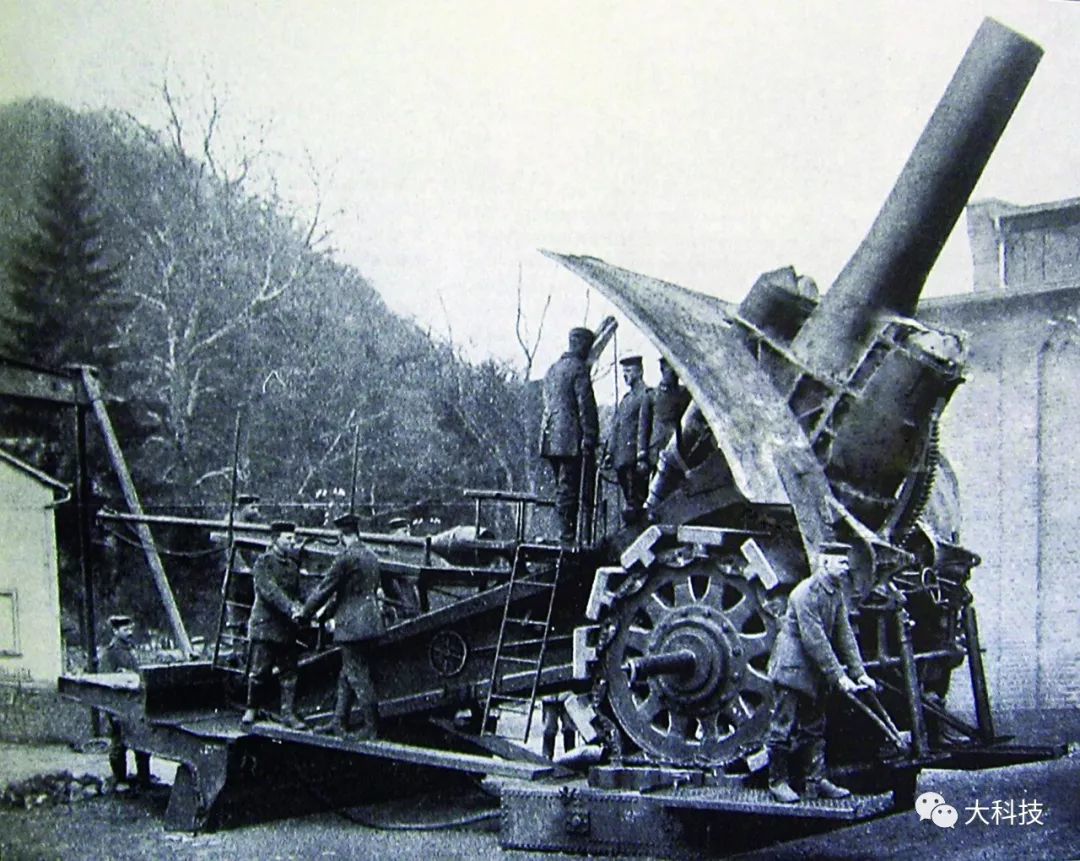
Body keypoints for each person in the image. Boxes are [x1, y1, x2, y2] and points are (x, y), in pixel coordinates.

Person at [765, 542, 877, 803]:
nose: (846, 567)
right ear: (825, 563)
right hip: (792, 668)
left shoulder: (835, 592)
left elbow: (844, 633)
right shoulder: (805, 593)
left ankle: (815, 781)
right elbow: (815, 640)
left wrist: (859, 672)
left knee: (814, 726)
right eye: (841, 562)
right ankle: (778, 782)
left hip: (813, 670)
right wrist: (839, 677)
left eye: (846, 562)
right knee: (783, 726)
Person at [298, 512, 385, 738]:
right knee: (346, 674)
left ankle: (371, 727)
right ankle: (338, 722)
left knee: (357, 674)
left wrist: (305, 613)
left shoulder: (345, 558)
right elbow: (347, 594)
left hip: (352, 626)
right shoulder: (371, 556)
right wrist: (325, 614)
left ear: (340, 535)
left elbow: (325, 589)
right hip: (371, 622)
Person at [242, 521, 306, 729]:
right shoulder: (263, 563)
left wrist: (306, 609)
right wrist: (291, 608)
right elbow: (270, 591)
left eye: (293, 538)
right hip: (266, 626)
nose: (292, 542)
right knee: (260, 671)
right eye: (288, 538)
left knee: (289, 673)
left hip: (286, 629)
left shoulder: (293, 567)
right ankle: (251, 710)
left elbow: (299, 594)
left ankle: (287, 714)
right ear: (275, 539)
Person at [539, 326, 599, 544]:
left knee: (562, 487)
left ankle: (564, 533)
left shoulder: (553, 369)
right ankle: (567, 537)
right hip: (571, 440)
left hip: (551, 438)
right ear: (583, 346)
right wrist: (590, 436)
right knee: (570, 489)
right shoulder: (579, 369)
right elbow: (586, 406)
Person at [98, 615, 152, 788]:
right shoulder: (110, 653)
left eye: (130, 629)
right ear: (115, 631)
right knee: (119, 745)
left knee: (142, 744)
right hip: (120, 707)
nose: (129, 632)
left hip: (137, 705)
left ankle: (144, 781)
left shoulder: (131, 650)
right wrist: (112, 713)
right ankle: (120, 780)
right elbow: (107, 683)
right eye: (125, 629)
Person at [605, 355, 652, 523]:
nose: (626, 375)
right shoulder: (626, 400)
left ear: (640, 372)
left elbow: (644, 428)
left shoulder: (646, 395)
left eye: (629, 371)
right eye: (624, 372)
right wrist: (610, 452)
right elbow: (616, 427)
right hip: (621, 460)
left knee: (636, 502)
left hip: (634, 460)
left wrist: (642, 456)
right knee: (629, 500)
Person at [646, 357, 691, 470]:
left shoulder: (685, 393)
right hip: (657, 449)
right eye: (672, 370)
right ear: (662, 370)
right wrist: (642, 455)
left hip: (678, 448)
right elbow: (644, 428)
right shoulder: (652, 395)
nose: (676, 373)